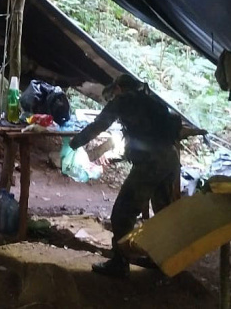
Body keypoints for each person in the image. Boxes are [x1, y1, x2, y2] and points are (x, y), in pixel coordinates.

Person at [69, 74, 184, 277]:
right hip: (170, 158)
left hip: (151, 163)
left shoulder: (123, 101)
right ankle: (163, 259)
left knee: (122, 213)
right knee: (164, 213)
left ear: (120, 88)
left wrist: (76, 142)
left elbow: (99, 125)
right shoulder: (151, 100)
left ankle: (120, 263)